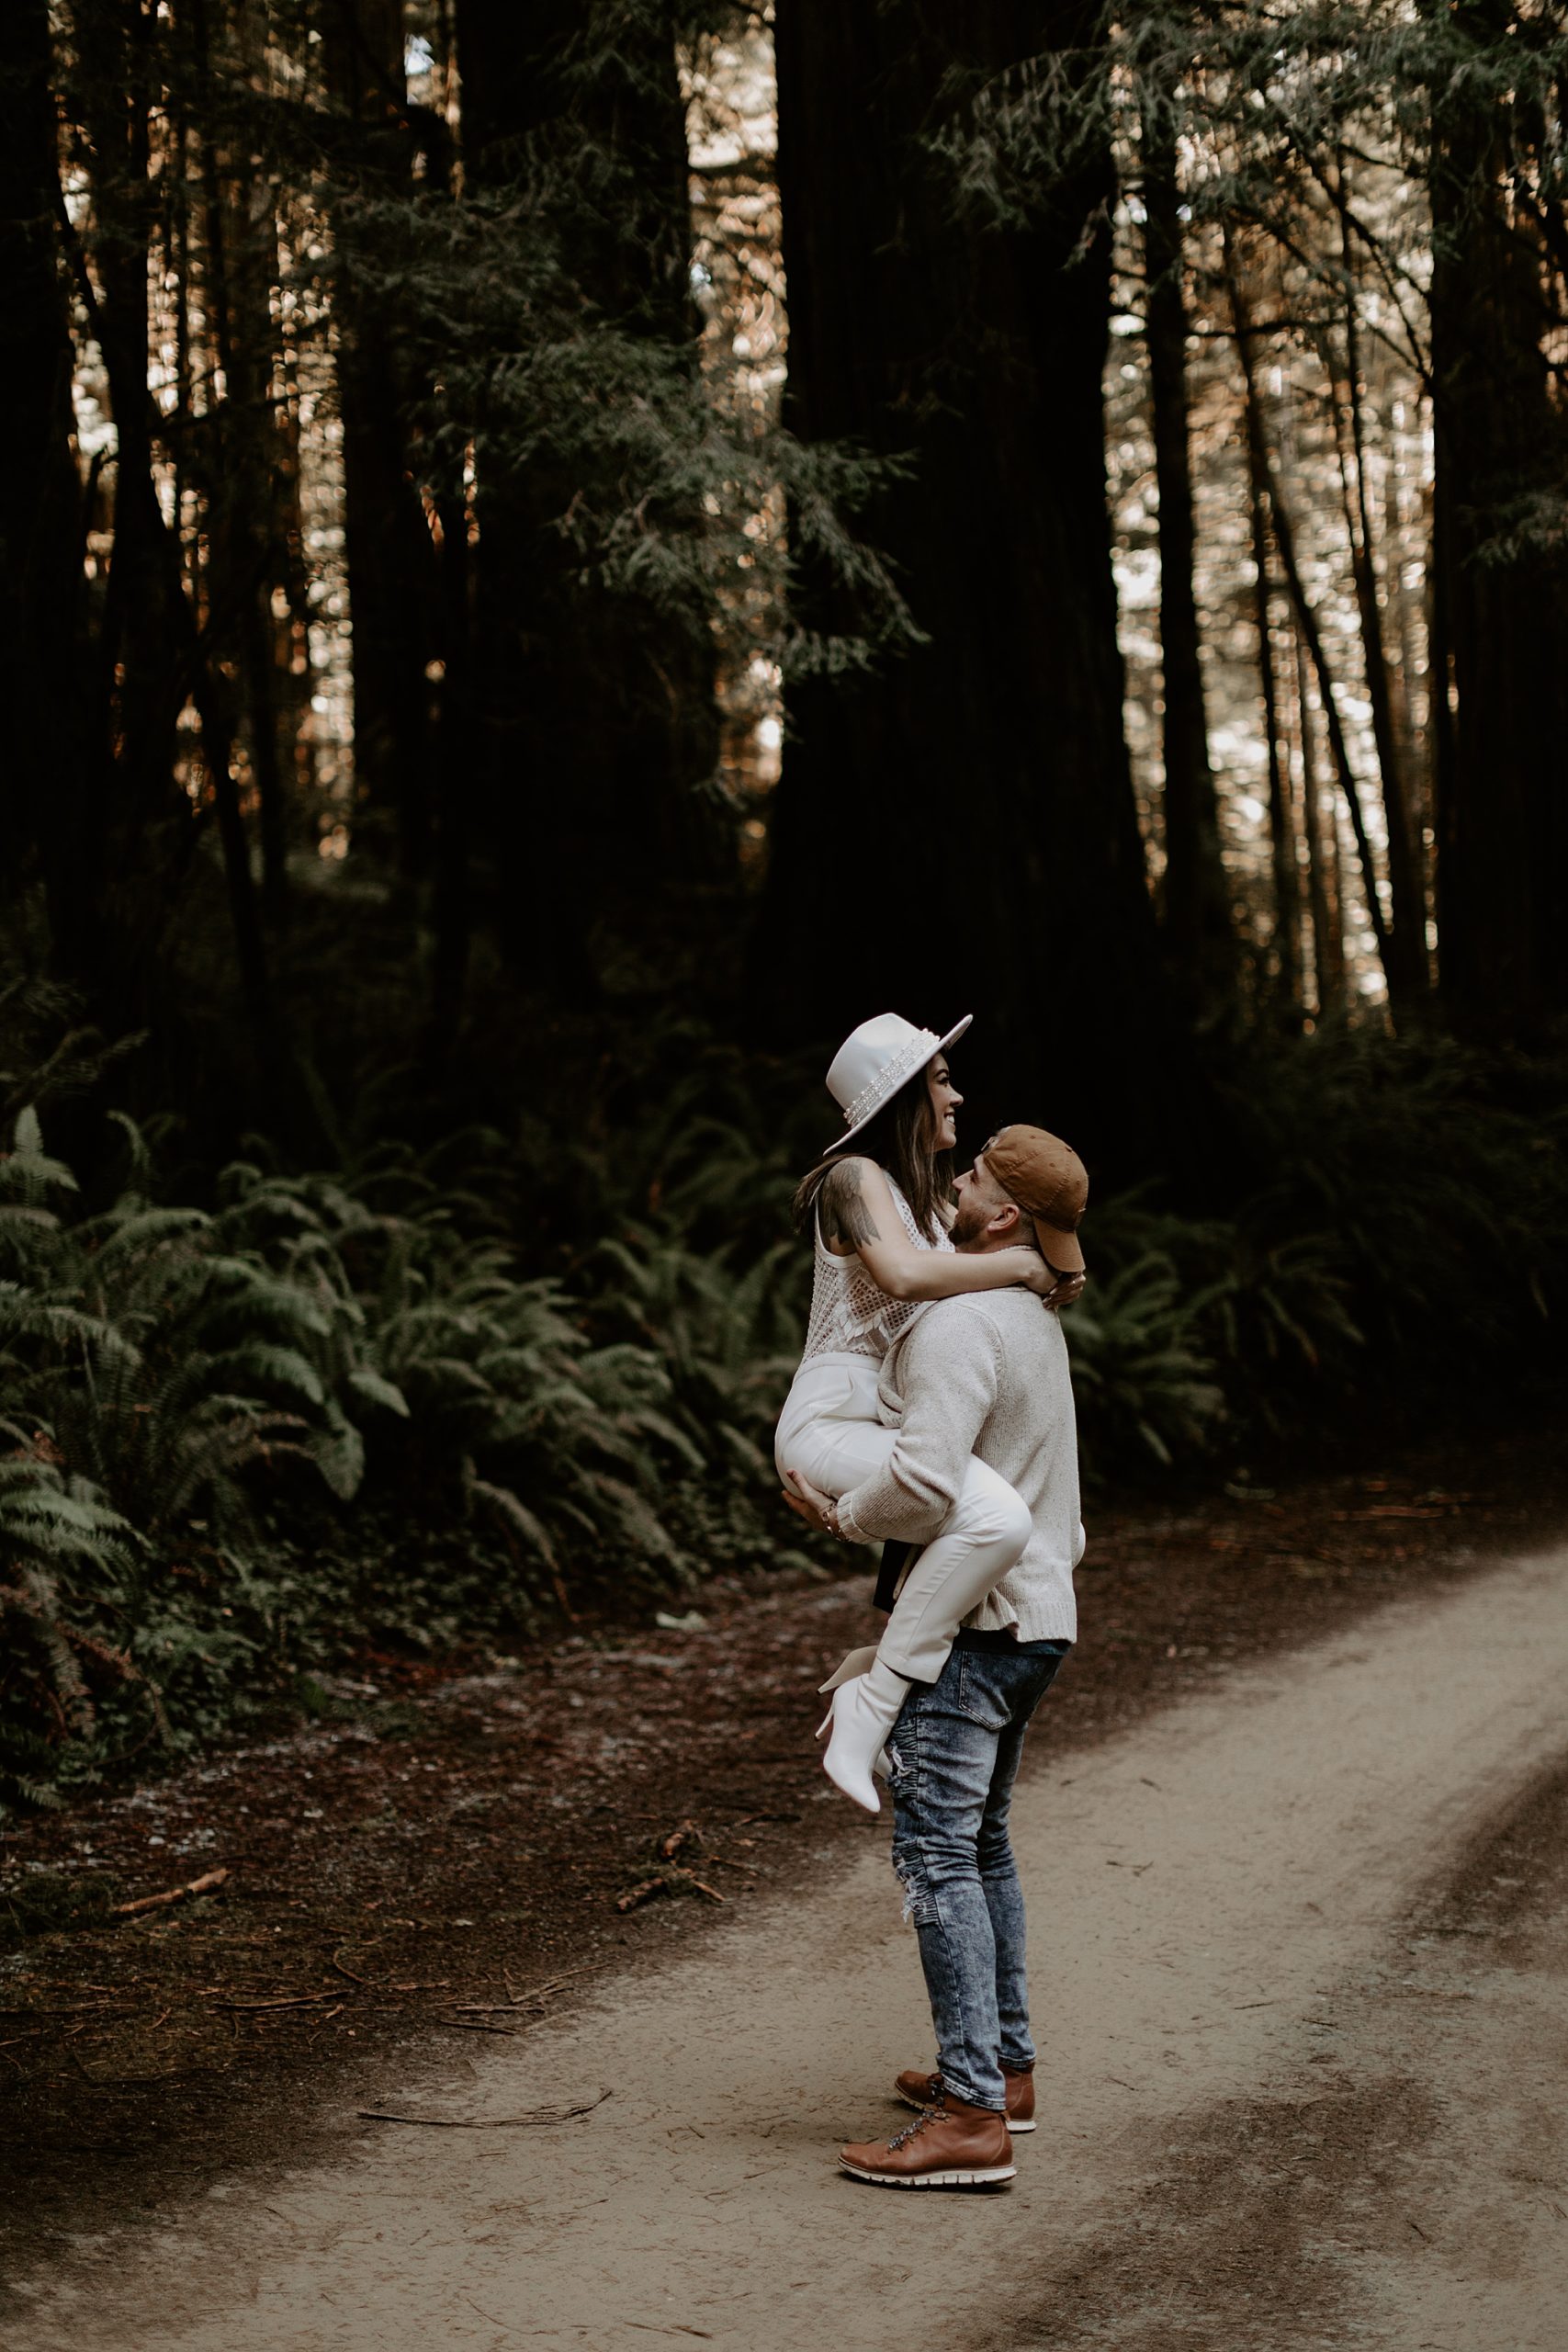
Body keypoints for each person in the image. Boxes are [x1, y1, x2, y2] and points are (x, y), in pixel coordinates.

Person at [787, 1126, 1088, 2190]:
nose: (948, 1188)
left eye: (967, 1182)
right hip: (1042, 1614)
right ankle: (1003, 2070)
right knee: (986, 1843)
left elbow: (922, 1482)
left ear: (1002, 1216)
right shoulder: (1032, 1317)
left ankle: (969, 2114)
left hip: (981, 1624)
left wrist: (837, 1512)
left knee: (938, 1856)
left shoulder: (960, 1323)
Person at [775, 1014, 1081, 1815]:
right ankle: (872, 1704)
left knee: (991, 1519)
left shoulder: (920, 1200)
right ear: (906, 1095)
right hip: (831, 1419)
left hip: (877, 1420)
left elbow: (991, 1235)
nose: (956, 1094)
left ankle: (872, 1692)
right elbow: (911, 1278)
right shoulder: (851, 1178)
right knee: (995, 1519)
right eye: (941, 1080)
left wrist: (1049, 1264)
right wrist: (1025, 1264)